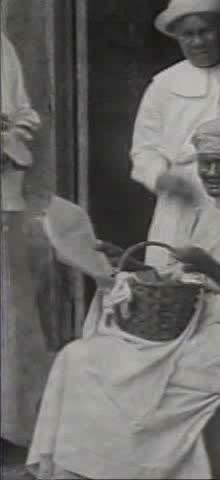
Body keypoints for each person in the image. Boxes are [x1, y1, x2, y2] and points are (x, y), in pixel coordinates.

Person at [26, 118, 220, 479]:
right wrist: (128, 260)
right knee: (78, 357)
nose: (211, 172)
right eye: (204, 162)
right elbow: (179, 278)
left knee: (110, 370)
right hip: (190, 322)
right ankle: (72, 467)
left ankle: (112, 468)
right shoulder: (206, 208)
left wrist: (209, 266)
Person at [130, 0, 220, 267]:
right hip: (181, 199)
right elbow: (144, 149)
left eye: (206, 31)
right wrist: (160, 177)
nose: (198, 41)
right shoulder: (164, 85)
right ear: (177, 37)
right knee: (175, 279)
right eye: (188, 34)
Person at [1, 29, 54, 448]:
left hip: (3, 197)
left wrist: (13, 138)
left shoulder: (1, 45)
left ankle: (8, 425)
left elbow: (24, 111)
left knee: (9, 313)